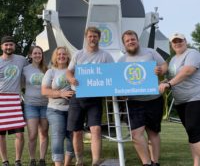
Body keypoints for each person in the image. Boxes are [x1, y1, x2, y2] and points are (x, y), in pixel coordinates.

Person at [118, 30, 168, 166]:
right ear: (124, 44)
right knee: (136, 134)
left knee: (153, 132)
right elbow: (119, 82)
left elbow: (164, 65)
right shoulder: (121, 60)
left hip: (154, 99)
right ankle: (146, 163)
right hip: (134, 101)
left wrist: (160, 70)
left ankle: (155, 162)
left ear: (137, 40)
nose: (131, 42)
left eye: (133, 39)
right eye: (127, 41)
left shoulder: (150, 52)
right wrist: (121, 93)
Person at [66, 26, 114, 166]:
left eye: (95, 36)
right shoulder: (78, 54)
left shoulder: (106, 56)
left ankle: (95, 161)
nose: (92, 38)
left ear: (99, 38)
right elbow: (69, 72)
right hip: (77, 96)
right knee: (77, 131)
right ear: (86, 38)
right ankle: (79, 160)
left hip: (95, 98)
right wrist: (71, 79)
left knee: (96, 129)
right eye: (90, 36)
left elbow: (113, 73)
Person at [159, 33, 200, 166]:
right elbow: (172, 78)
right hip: (181, 101)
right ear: (171, 45)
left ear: (185, 41)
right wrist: (163, 82)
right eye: (174, 41)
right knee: (192, 133)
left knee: (193, 129)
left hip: (195, 98)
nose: (177, 43)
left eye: (180, 40)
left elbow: (187, 71)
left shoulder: (192, 53)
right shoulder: (173, 60)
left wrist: (169, 84)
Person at [41, 46, 75, 166]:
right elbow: (44, 91)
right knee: (57, 137)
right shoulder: (51, 71)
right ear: (55, 56)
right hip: (55, 110)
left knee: (72, 138)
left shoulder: (73, 71)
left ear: (68, 57)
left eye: (64, 54)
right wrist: (61, 93)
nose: (61, 56)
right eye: (59, 54)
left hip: (72, 110)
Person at [0, 36, 27, 166]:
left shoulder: (21, 60)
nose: (8, 47)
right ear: (2, 47)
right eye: (6, 45)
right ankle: (5, 161)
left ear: (14, 46)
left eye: (11, 45)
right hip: (1, 100)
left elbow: (29, 74)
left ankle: (18, 161)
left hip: (16, 99)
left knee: (20, 134)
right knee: (1, 135)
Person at [22, 46, 49, 166]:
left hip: (45, 105)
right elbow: (20, 84)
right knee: (32, 134)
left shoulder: (47, 69)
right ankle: (32, 159)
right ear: (30, 55)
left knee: (43, 132)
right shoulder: (25, 69)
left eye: (40, 53)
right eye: (35, 53)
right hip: (30, 105)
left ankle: (42, 159)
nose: (38, 55)